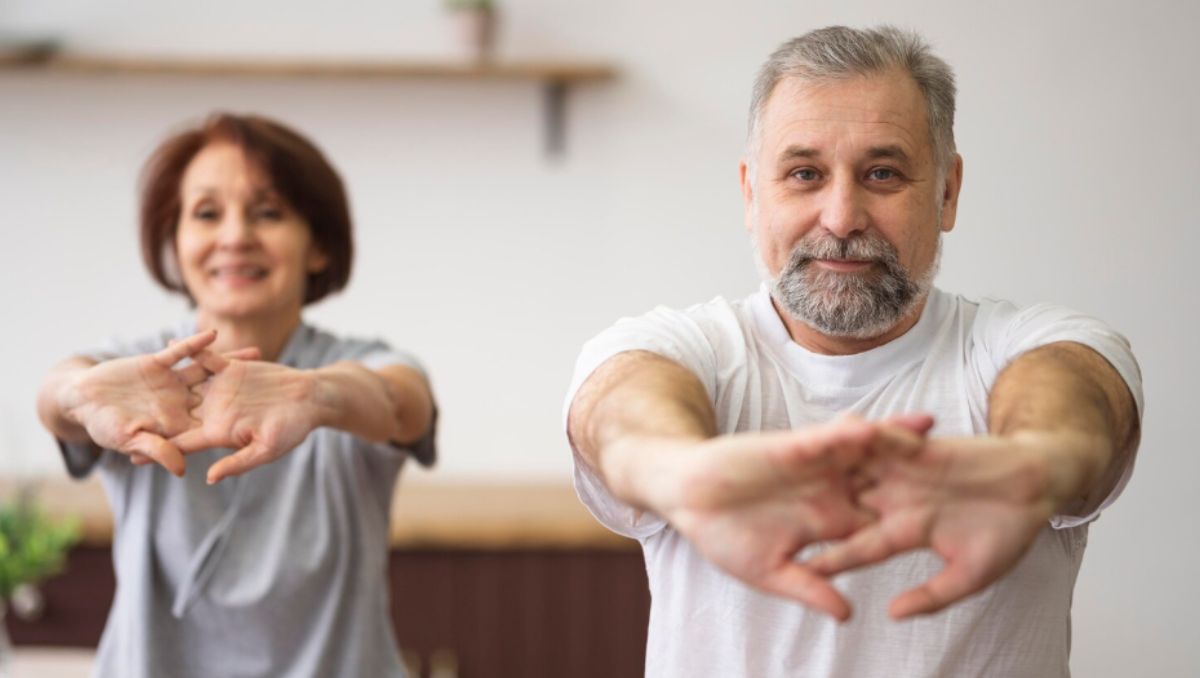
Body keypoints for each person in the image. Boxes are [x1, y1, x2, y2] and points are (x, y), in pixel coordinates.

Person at [564, 25, 1142, 678]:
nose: (841, 217)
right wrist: (679, 474)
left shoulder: (1023, 348)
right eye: (805, 173)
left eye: (883, 173)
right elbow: (620, 409)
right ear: (752, 193)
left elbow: (1080, 401)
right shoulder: (683, 348)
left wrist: (1037, 465)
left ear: (947, 192)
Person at [36, 113, 436, 678]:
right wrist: (78, 395)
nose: (234, 236)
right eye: (206, 213)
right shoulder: (138, 370)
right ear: (175, 242)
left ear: (318, 245)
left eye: (268, 212)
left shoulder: (356, 365)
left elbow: (401, 402)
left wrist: (318, 395)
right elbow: (61, 393)